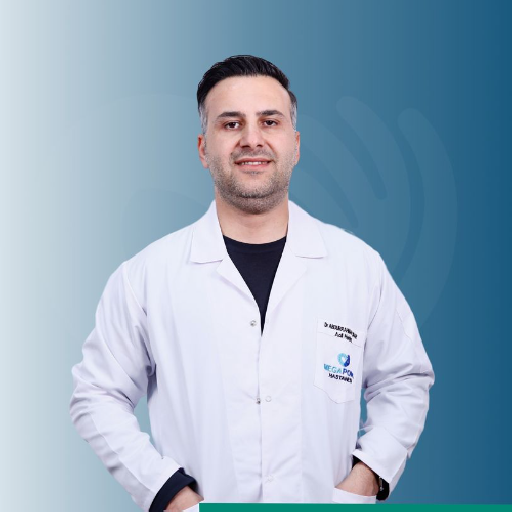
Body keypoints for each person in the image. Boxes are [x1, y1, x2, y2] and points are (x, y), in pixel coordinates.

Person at [69, 55, 434, 512]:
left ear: (295, 145)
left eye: (269, 121)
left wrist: (365, 480)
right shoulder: (145, 277)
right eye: (231, 124)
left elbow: (404, 379)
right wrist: (167, 494)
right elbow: (97, 395)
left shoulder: (357, 267)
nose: (252, 139)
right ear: (203, 149)